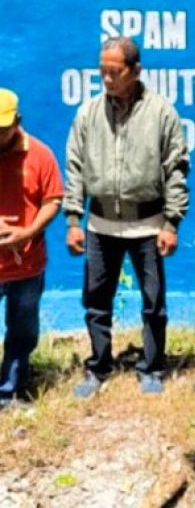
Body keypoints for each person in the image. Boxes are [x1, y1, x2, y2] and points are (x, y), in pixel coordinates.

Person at [64, 37, 189, 397]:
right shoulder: (88, 112)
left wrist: (171, 222)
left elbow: (176, 169)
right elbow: (74, 166)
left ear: (135, 71)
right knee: (96, 300)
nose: (106, 79)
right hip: (100, 224)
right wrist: (74, 219)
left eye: (114, 72)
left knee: (153, 302)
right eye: (102, 71)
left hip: (148, 226)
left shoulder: (161, 112)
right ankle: (99, 367)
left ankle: (151, 367)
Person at [0, 89, 63, 407]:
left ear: (17, 122)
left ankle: (11, 389)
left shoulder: (40, 155)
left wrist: (28, 232)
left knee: (22, 329)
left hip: (26, 264)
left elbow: (53, 200)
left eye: (2, 129)